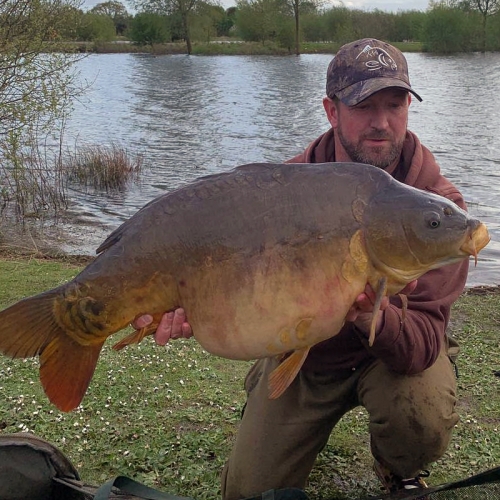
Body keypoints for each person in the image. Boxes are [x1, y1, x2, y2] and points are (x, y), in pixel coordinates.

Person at [134, 38, 469, 499]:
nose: (381, 122)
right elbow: (235, 282)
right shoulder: (283, 189)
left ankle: (398, 465)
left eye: (394, 104)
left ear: (409, 106)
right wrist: (194, 304)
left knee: (422, 414)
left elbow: (424, 342)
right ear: (331, 111)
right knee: (247, 492)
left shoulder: (437, 212)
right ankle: (269, 396)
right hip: (307, 358)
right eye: (364, 105)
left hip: (391, 362)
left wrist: (377, 317)